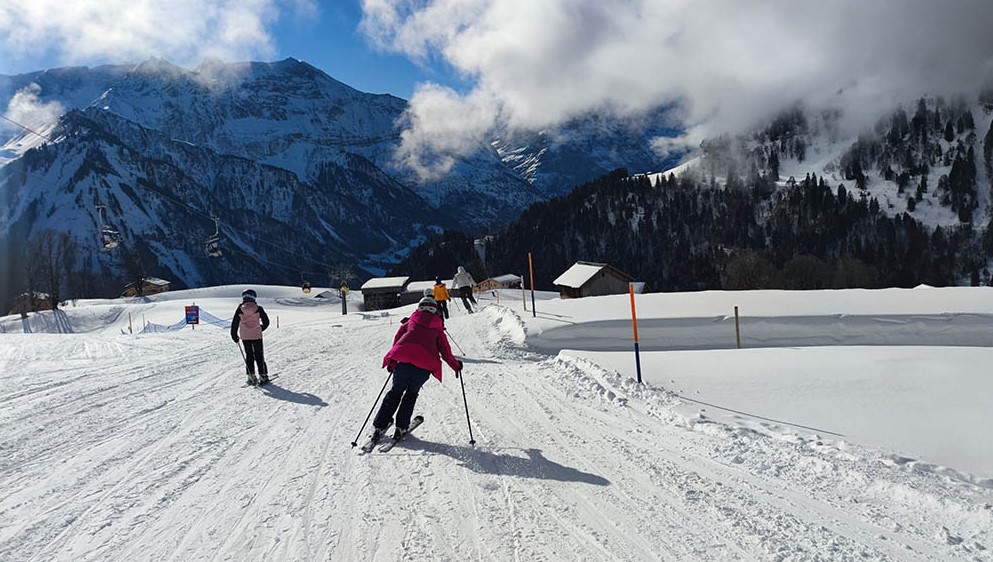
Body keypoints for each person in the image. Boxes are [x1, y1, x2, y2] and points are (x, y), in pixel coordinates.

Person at [371, 297, 462, 440]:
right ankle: (401, 427)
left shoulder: (409, 322)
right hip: (423, 367)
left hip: (404, 363)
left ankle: (380, 425)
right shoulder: (438, 329)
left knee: (395, 393)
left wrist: (393, 361)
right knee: (411, 394)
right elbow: (445, 351)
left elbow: (398, 341)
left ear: (418, 308)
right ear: (435, 311)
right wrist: (456, 366)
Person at [231, 289, 271, 385]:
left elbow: (235, 323)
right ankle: (263, 375)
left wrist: (234, 335)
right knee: (259, 355)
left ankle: (251, 376)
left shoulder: (239, 309)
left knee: (249, 355)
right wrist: (261, 328)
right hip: (256, 335)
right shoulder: (258, 308)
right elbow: (266, 321)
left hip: (245, 336)